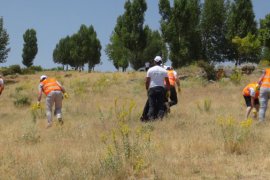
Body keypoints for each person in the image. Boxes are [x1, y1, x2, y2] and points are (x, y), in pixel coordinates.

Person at [145, 56, 170, 120]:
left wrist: (147, 89)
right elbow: (167, 82)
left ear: (154, 62)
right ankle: (160, 118)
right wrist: (168, 90)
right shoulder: (164, 70)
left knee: (151, 105)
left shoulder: (150, 70)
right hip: (161, 89)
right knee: (160, 105)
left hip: (152, 89)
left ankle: (151, 119)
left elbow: (147, 81)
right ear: (161, 62)